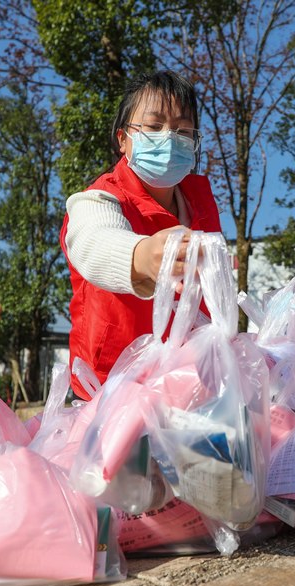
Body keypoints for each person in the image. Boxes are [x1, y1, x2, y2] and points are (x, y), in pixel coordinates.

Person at [60, 70, 221, 400]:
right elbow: (93, 240)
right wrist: (144, 256)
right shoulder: (99, 199)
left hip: (187, 392)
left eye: (182, 129)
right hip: (107, 395)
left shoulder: (201, 203)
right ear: (123, 139)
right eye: (154, 126)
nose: (169, 138)